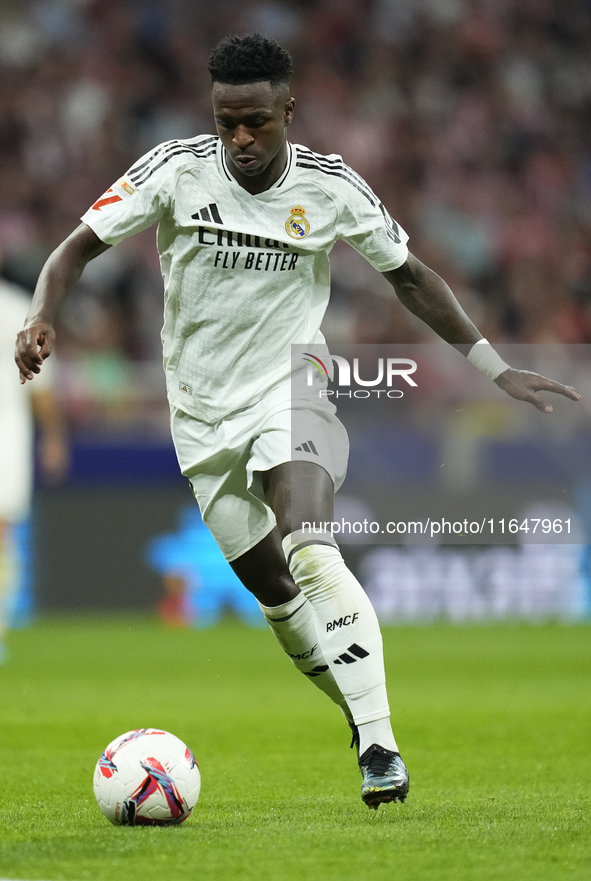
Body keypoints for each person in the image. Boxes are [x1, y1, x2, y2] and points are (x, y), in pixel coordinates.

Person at [14, 34, 580, 807]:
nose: (240, 138)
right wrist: (44, 312)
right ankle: (357, 711)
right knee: (278, 597)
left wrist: (493, 365)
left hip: (291, 387)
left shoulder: (333, 186)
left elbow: (408, 277)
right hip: (199, 412)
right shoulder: (175, 170)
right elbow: (77, 246)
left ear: (288, 110)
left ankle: (379, 745)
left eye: (255, 121)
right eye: (226, 123)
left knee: (311, 548)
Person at [1, 272, 68, 660]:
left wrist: (54, 437)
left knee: (1, 534)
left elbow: (40, 383)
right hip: (8, 439)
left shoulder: (15, 310)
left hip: (5, 435)